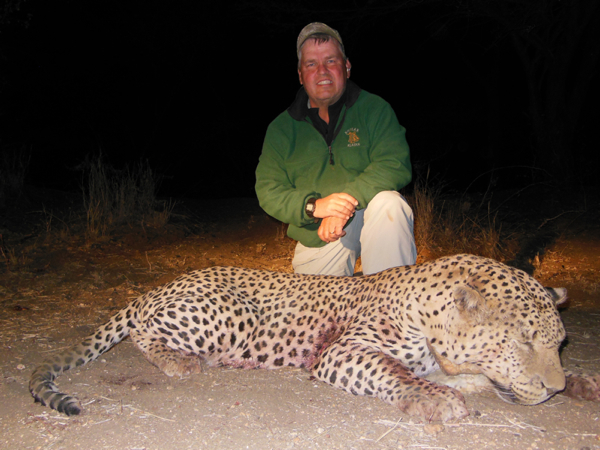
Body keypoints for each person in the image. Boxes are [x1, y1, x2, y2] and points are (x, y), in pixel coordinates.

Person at [255, 22, 416, 276]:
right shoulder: (281, 129)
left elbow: (394, 163)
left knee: (390, 205)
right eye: (311, 64)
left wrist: (344, 203)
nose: (322, 71)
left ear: (347, 67)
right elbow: (268, 190)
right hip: (320, 232)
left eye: (330, 61)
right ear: (300, 75)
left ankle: (390, 295)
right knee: (313, 303)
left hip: (367, 210)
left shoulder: (375, 109)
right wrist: (314, 207)